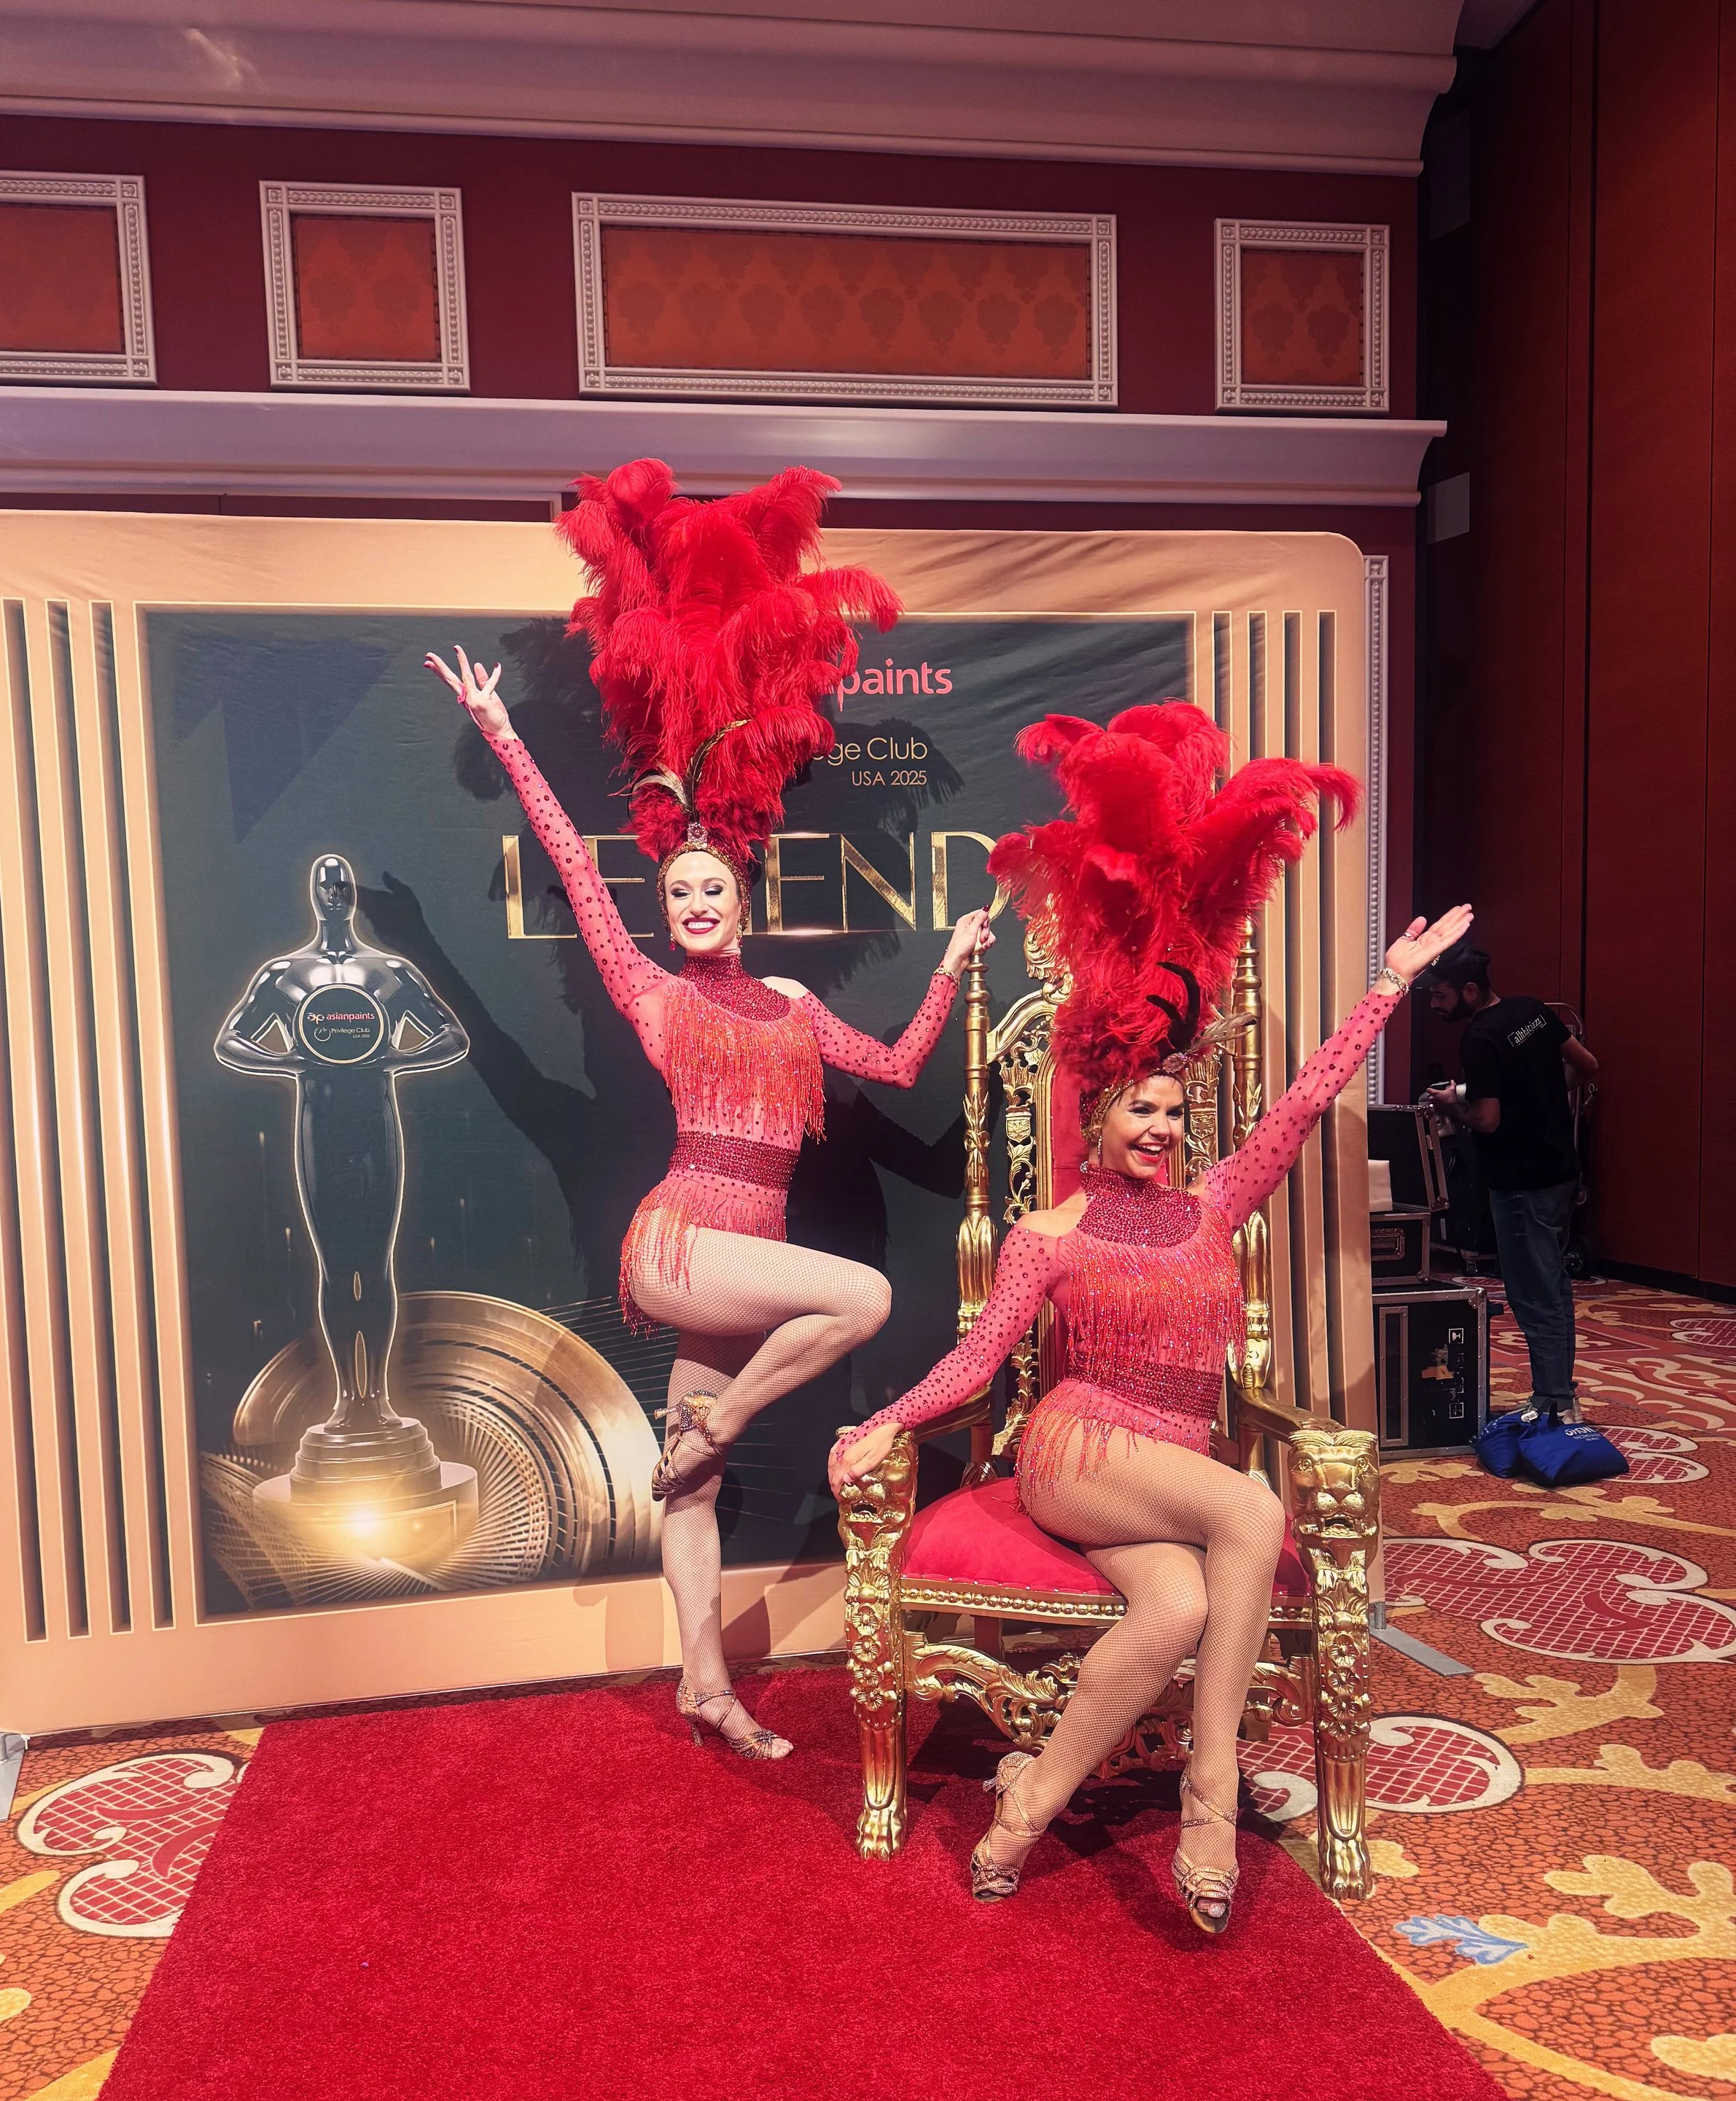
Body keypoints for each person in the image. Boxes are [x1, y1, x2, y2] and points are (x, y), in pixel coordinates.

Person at [829, 703, 1472, 1930]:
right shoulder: (1047, 1237)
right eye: (1138, 1111)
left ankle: (1025, 1808)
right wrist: (886, 1426)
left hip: (1173, 1463)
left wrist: (1389, 985)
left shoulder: (1217, 1202)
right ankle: (1214, 1786)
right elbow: (977, 1356)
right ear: (1097, 1120)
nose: (1162, 1127)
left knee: (1174, 1607)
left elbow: (1300, 1101)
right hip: (1079, 1452)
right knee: (1252, 1503)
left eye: (1174, 1110)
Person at [429, 459, 988, 1761]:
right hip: (682, 1237)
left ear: (741, 901)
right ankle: (721, 1427)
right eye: (676, 895)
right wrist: (507, 732)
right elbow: (572, 863)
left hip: (735, 1263)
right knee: (860, 1300)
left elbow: (900, 1069)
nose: (693, 909)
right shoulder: (648, 993)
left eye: (710, 895)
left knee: (696, 1474)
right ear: (666, 906)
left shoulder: (793, 1006)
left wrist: (956, 965)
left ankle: (702, 1679)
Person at [1423, 947, 1597, 1424]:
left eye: (1440, 995)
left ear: (1470, 990)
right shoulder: (1533, 1011)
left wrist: (1449, 1107)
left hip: (1521, 1183)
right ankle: (1560, 1391)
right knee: (1555, 1285)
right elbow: (1587, 1066)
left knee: (1531, 1291)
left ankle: (1555, 1401)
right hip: (1561, 1170)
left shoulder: (1479, 1036)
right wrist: (1539, 1097)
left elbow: (1487, 1117)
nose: (1435, 1006)